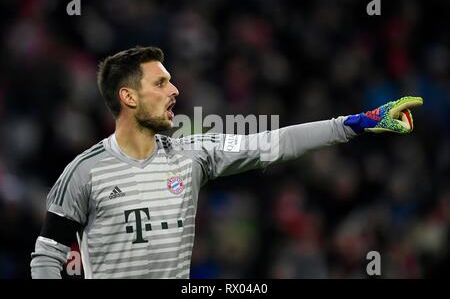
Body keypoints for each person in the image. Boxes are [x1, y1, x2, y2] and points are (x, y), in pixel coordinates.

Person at [30, 46, 423, 279]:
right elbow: (47, 256)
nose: (175, 90)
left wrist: (356, 123)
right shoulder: (84, 172)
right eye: (161, 83)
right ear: (129, 98)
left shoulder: (193, 154)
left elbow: (276, 142)